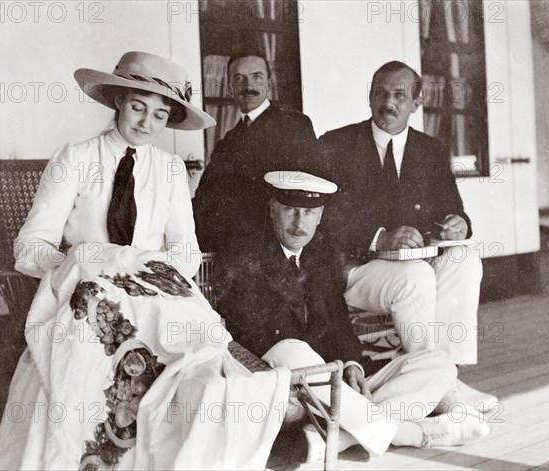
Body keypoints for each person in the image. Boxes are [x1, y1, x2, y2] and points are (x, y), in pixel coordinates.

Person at [0, 52, 292, 471]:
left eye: (160, 114)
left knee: (211, 374)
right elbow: (30, 246)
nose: (147, 123)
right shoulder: (75, 158)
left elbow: (186, 250)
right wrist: (83, 263)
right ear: (118, 101)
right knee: (90, 372)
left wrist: (143, 272)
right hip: (88, 302)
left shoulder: (169, 170)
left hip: (155, 297)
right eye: (137, 107)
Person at [217, 170, 491, 461]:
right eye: (290, 211)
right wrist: (329, 371)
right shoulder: (245, 253)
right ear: (272, 209)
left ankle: (338, 437)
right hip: (292, 378)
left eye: (309, 213)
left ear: (321, 215)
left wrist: (351, 366)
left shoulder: (318, 253)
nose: (300, 224)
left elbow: (337, 320)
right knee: (292, 349)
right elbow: (255, 334)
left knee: (439, 363)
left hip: (334, 383)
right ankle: (411, 433)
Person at [319, 61, 495, 406]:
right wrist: (378, 236)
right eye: (381, 93)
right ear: (369, 98)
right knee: (416, 277)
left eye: (400, 95)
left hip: (414, 266)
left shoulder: (430, 150)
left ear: (416, 103)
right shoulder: (336, 145)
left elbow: (454, 209)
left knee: (464, 259)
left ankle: (445, 377)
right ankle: (439, 389)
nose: (389, 102)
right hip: (353, 270)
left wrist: (458, 222)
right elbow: (323, 220)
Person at [192, 51, 319, 253]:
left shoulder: (294, 125)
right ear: (230, 87)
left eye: (256, 77)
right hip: (232, 246)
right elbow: (206, 197)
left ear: (269, 82)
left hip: (275, 247)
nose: (248, 86)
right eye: (238, 78)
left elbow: (302, 196)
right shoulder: (228, 141)